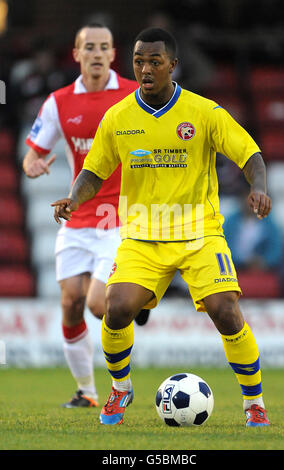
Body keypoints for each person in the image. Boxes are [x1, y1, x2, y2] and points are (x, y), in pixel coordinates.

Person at [52, 27, 271, 427]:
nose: (145, 68)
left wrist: (259, 186)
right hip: (141, 237)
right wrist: (74, 199)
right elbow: (93, 173)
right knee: (115, 309)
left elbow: (250, 153)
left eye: (155, 61)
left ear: (173, 64)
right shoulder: (118, 117)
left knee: (225, 310)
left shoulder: (204, 112)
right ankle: (120, 391)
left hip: (199, 233)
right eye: (138, 61)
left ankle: (253, 401)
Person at [22, 23, 150, 409]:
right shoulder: (58, 102)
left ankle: (140, 301)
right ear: (76, 54)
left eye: (104, 47)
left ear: (114, 54)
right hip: (78, 217)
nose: (96, 53)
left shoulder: (134, 95)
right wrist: (33, 166)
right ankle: (87, 392)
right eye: (88, 47)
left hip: (119, 218)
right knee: (70, 302)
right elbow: (33, 153)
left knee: (99, 305)